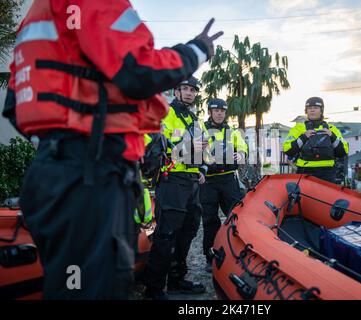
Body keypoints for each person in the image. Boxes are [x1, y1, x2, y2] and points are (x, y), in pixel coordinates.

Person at [2, 0, 222, 299]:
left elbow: (14, 107)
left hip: (51, 173)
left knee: (71, 284)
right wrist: (198, 50)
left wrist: (61, 143)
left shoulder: (35, 19)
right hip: (93, 173)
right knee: (92, 287)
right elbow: (139, 70)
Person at [145, 76, 210, 300]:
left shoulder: (196, 119)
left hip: (192, 181)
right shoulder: (165, 114)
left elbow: (205, 148)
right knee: (166, 234)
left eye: (193, 90)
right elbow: (156, 144)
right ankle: (153, 290)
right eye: (185, 89)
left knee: (188, 231)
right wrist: (187, 147)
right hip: (171, 179)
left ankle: (176, 280)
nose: (190, 93)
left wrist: (202, 168)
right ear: (176, 91)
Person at [200, 98, 248, 272]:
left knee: (236, 217)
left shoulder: (232, 131)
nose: (219, 113)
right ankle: (210, 257)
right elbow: (194, 150)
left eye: (222, 110)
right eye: (216, 110)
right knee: (210, 221)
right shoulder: (201, 129)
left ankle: (237, 254)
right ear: (210, 112)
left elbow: (242, 147)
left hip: (229, 180)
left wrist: (241, 154)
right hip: (208, 182)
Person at [283, 97, 348, 183]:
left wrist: (332, 136)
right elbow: (287, 150)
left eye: (316, 108)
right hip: (304, 172)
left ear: (321, 111)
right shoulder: (298, 129)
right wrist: (303, 137)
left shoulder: (332, 129)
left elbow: (343, 152)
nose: (312, 110)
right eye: (309, 108)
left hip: (327, 173)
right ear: (306, 111)